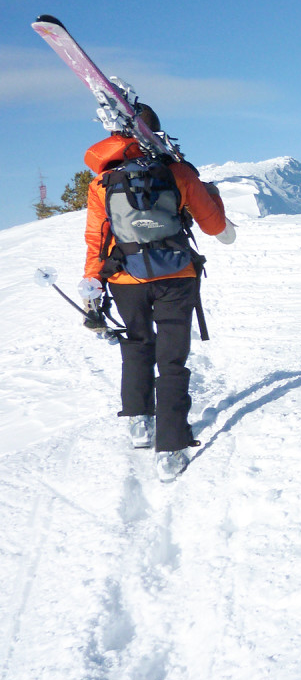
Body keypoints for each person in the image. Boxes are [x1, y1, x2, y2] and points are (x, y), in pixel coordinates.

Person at [78, 105, 235, 480]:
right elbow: (216, 229)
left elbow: (96, 239)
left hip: (124, 278)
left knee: (136, 344)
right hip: (176, 277)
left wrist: (93, 281)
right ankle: (171, 448)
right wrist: (211, 194)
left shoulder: (103, 182)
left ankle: (138, 424)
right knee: (172, 360)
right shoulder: (177, 172)